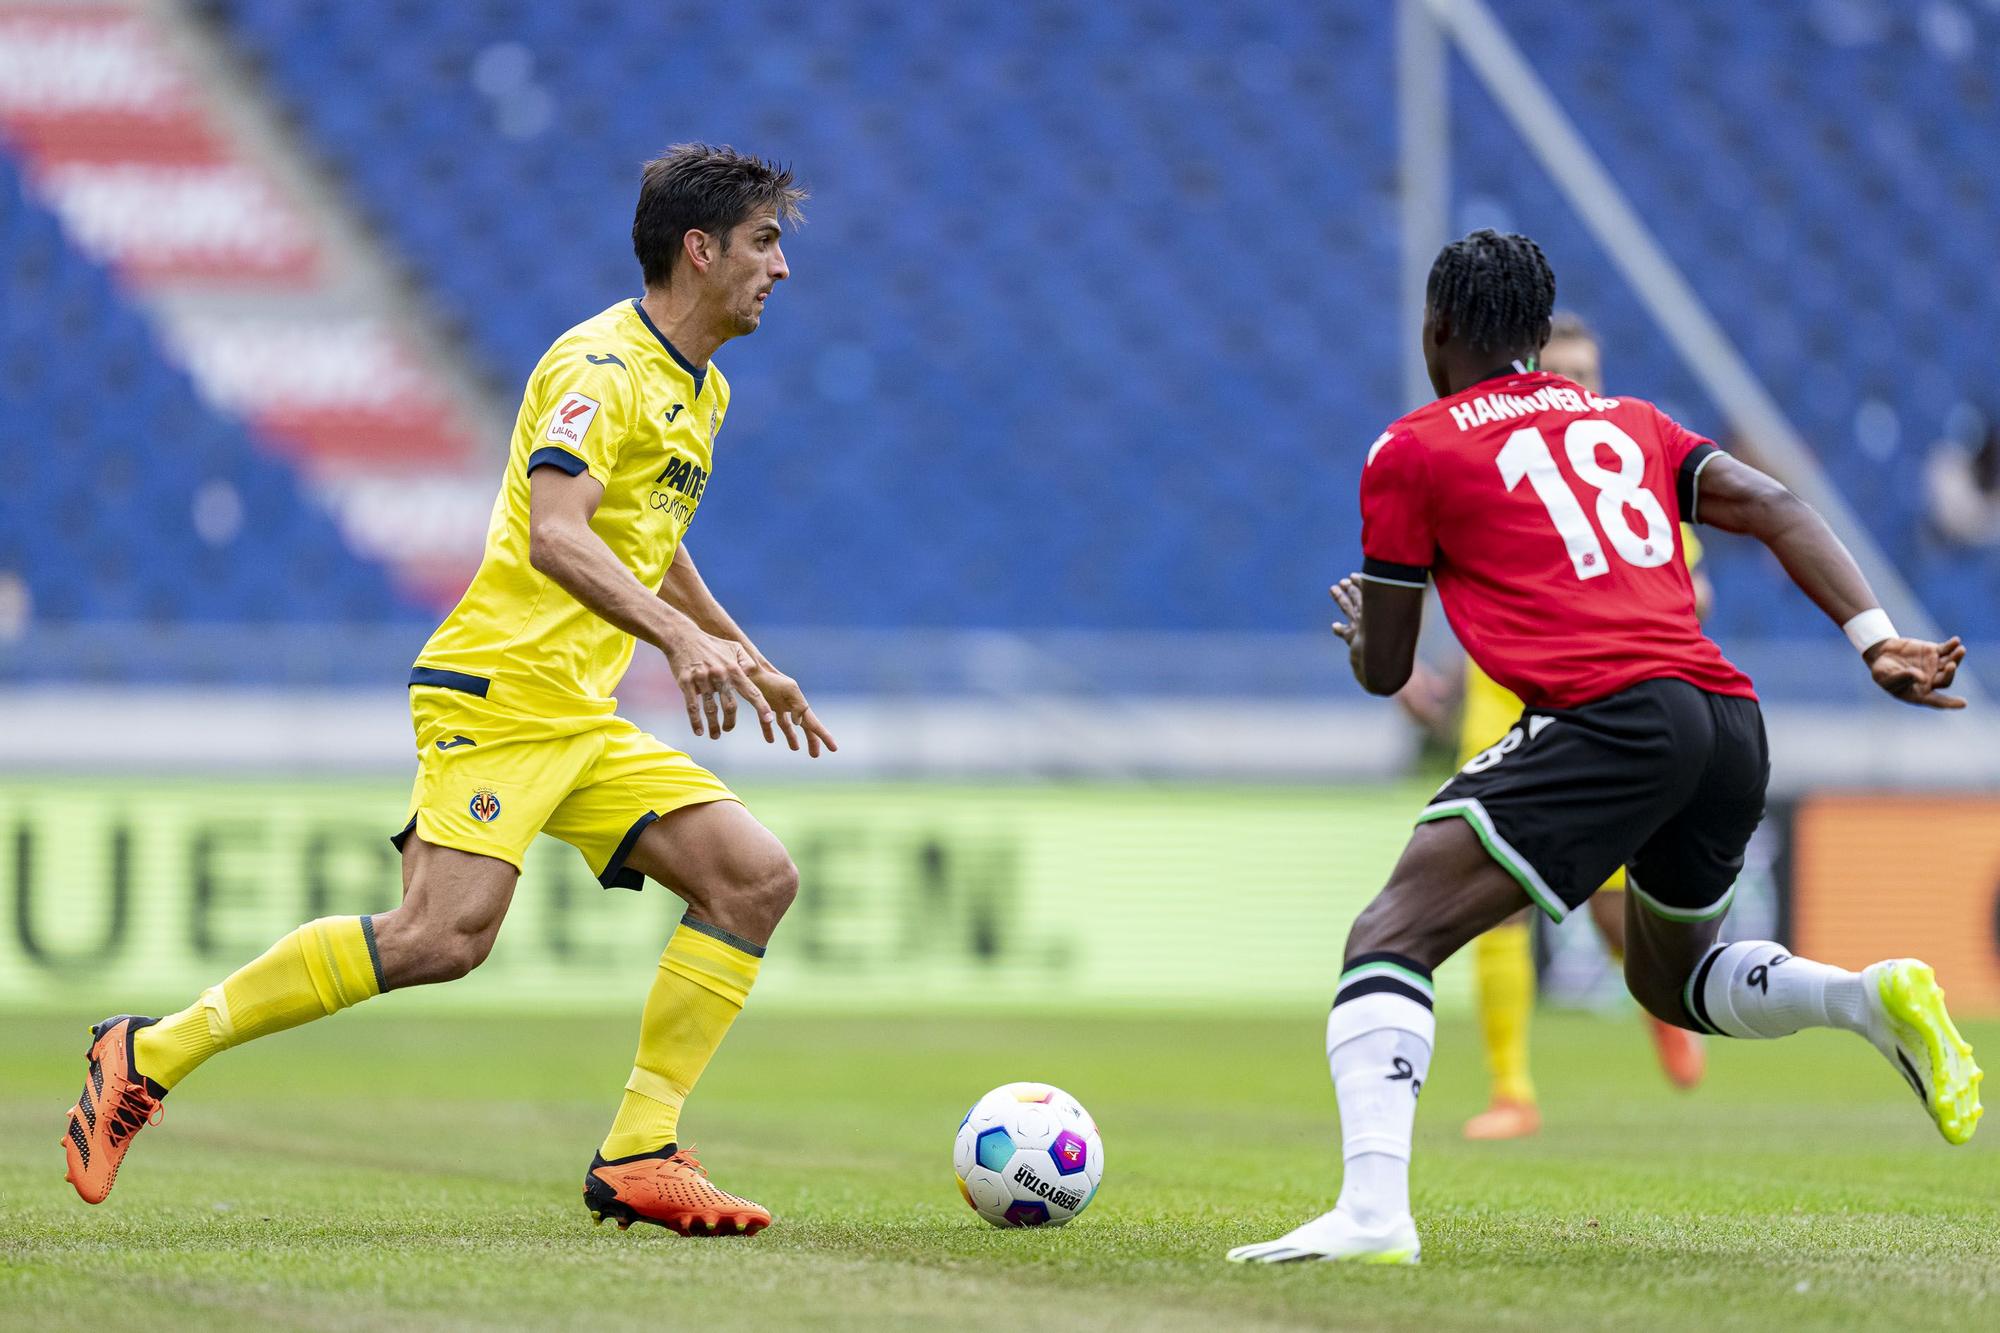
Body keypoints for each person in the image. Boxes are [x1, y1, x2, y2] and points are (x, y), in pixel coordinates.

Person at [62, 144, 835, 1238]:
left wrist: (740, 652)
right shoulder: (598, 371)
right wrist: (672, 641)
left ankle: (638, 1151)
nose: (782, 268)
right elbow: (558, 535)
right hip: (499, 692)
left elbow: (643, 541)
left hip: (576, 710)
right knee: (442, 936)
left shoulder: (696, 387)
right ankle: (147, 1051)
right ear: (699, 249)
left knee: (752, 880)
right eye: (765, 242)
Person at [1229, 229, 1980, 1266]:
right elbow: (1775, 505)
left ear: (1434, 328)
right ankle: (1860, 996)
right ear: (1538, 339)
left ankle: (1370, 1213)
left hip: (1613, 715)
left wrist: (1366, 637)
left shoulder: (1410, 449)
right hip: (1724, 718)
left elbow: (1386, 666)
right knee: (1670, 982)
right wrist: (1874, 638)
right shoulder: (1629, 423)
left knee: (1389, 932)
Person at [1455, 311, 1710, 1141]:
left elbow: (1684, 581)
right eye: (1559, 374)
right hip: (1499, 698)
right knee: (1494, 898)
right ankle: (1511, 1090)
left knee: (1608, 910)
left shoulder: (1623, 464)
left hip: (1596, 699)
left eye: (1587, 375)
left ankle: (1661, 1008)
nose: (1576, 391)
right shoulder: (1492, 464)